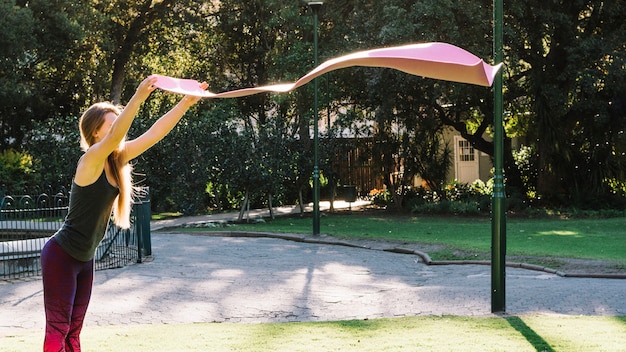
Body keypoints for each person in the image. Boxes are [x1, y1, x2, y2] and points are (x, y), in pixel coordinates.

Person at [40, 75, 207, 351]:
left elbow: (154, 134)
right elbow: (118, 134)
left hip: (84, 259)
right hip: (61, 256)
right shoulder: (90, 160)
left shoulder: (116, 160)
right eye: (111, 125)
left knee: (73, 332)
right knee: (58, 329)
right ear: (95, 132)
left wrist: (185, 103)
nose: (118, 130)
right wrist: (140, 96)